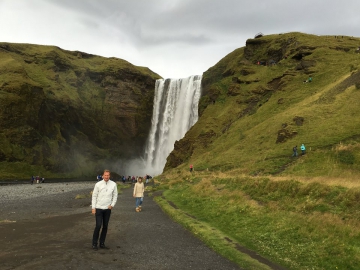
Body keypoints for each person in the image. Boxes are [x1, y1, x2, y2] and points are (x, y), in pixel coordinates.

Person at [91, 169, 118, 250]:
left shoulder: (113, 184)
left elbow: (115, 195)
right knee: (98, 225)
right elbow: (94, 196)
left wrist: (112, 205)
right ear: (102, 176)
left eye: (108, 175)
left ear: (110, 176)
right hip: (99, 208)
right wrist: (93, 207)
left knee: (105, 226)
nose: (106, 177)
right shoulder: (98, 184)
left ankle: (102, 243)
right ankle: (94, 243)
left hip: (107, 209)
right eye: (105, 175)